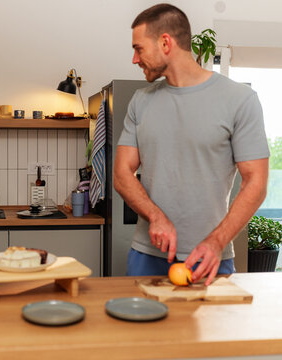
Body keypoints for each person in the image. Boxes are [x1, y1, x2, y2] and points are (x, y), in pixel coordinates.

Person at [114, 3, 270, 285]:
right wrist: (156, 217)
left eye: (139, 48)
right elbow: (122, 174)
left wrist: (216, 241)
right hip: (147, 256)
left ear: (165, 42)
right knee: (138, 330)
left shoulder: (240, 99)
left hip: (211, 259)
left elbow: (256, 182)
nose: (135, 59)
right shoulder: (141, 101)